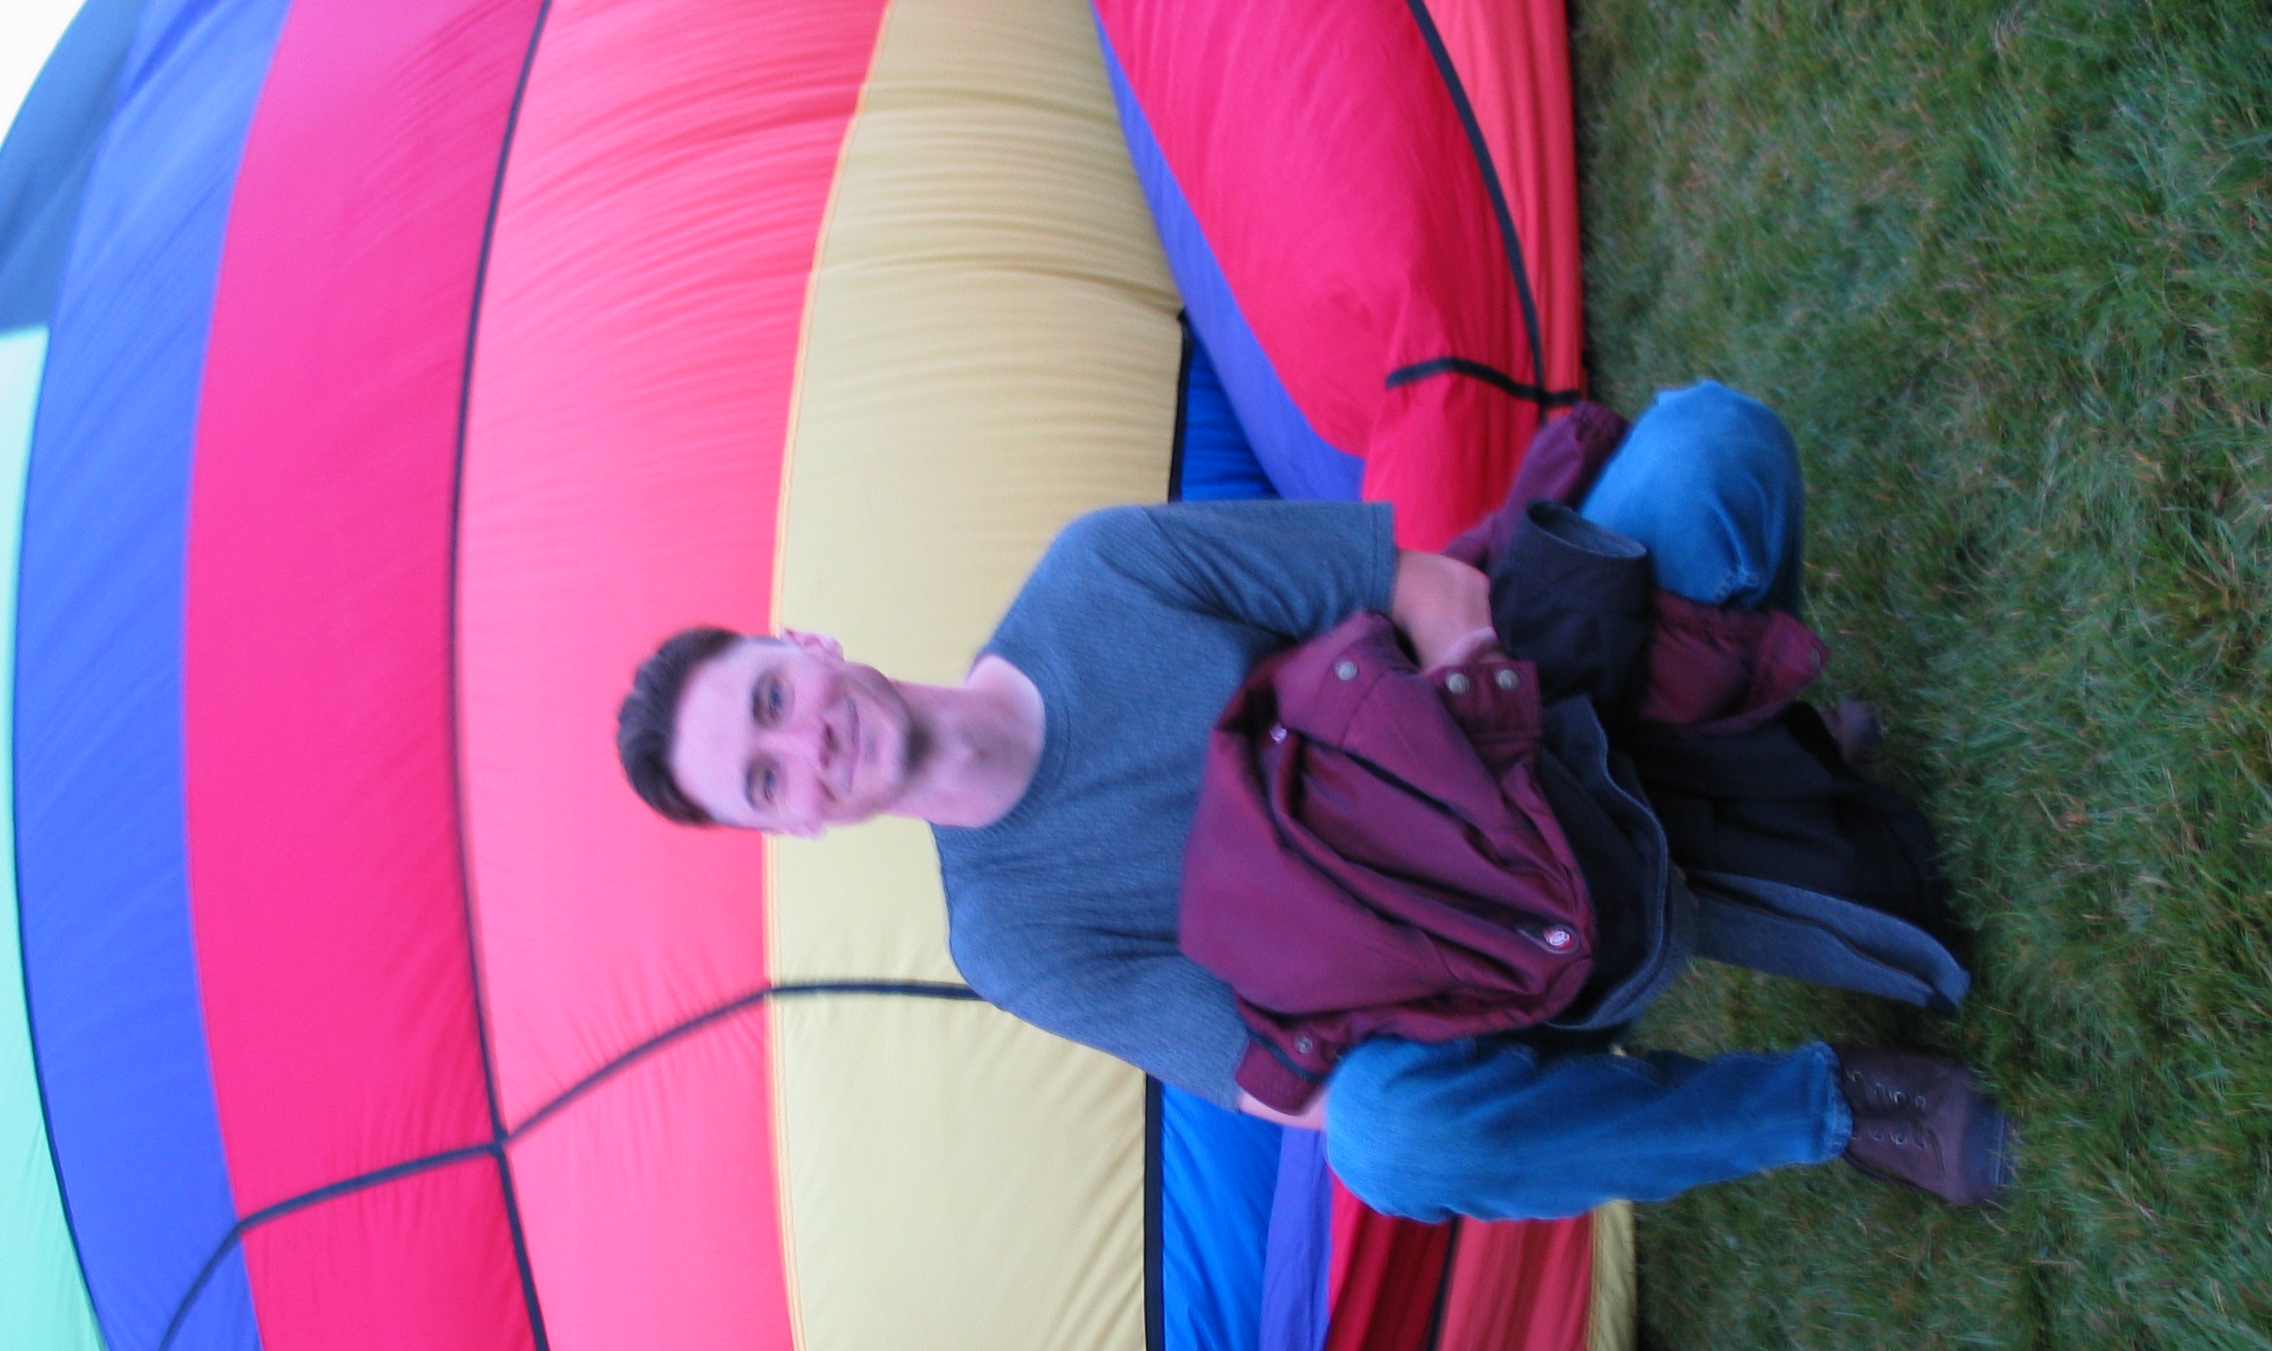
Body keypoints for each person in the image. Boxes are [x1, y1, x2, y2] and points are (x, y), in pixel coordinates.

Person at [618, 382, 2013, 1217]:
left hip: (1530, 724)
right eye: (765, 778)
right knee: (1390, 1139)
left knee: (1712, 442)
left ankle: (1763, 746)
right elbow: (1285, 1082)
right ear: (792, 828)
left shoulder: (1100, 573)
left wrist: (1492, 776)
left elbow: (1429, 587)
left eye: (771, 698)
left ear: (805, 647)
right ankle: (1833, 1109)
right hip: (1478, 956)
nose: (806, 743)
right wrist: (1470, 902)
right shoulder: (1012, 937)